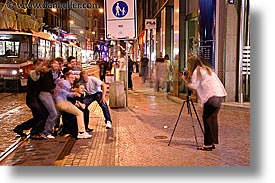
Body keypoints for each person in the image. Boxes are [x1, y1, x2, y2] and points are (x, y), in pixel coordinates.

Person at [181, 56, 227, 151]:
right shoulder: (208, 70)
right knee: (213, 118)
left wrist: (185, 80)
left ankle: (208, 144)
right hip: (220, 94)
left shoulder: (197, 71)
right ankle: (213, 141)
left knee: (206, 119)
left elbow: (194, 86)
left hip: (211, 96)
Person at [13, 59, 48, 139]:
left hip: (36, 99)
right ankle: (34, 132)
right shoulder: (33, 74)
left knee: (37, 117)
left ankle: (19, 128)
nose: (42, 67)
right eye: (40, 65)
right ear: (35, 66)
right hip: (32, 99)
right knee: (42, 116)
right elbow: (36, 79)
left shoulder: (40, 74)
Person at [55, 72, 92, 139]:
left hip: (63, 101)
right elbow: (64, 92)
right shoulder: (65, 82)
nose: (73, 79)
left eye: (73, 78)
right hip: (61, 102)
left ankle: (82, 131)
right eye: (71, 78)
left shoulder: (66, 83)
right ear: (67, 77)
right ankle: (81, 132)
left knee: (80, 112)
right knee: (79, 113)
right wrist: (73, 94)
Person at [39, 59, 60, 139]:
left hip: (49, 94)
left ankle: (49, 130)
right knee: (53, 113)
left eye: (57, 65)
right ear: (50, 65)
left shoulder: (55, 73)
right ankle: (46, 132)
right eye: (54, 65)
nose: (56, 66)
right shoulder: (48, 73)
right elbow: (47, 85)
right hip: (45, 93)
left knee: (56, 112)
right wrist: (54, 88)